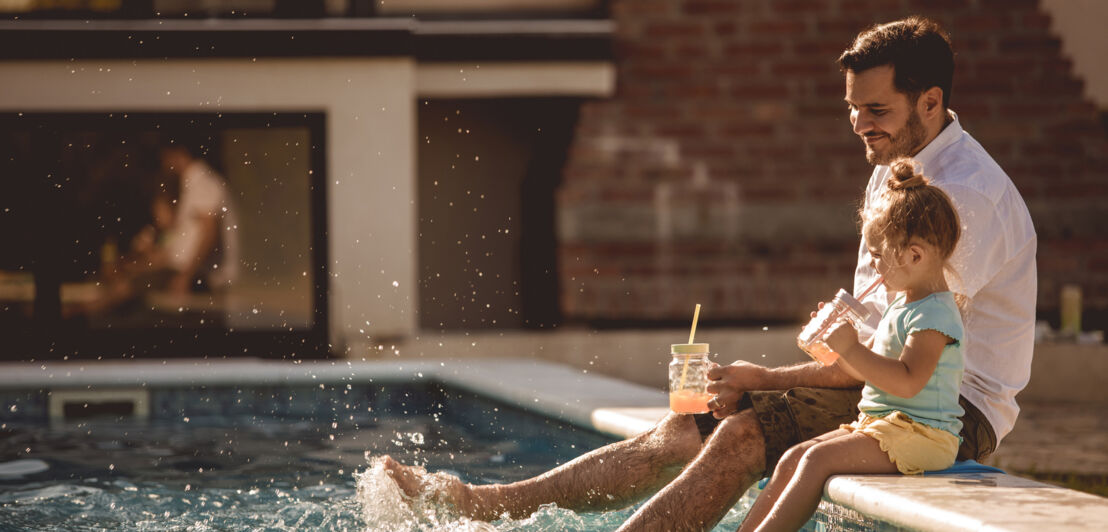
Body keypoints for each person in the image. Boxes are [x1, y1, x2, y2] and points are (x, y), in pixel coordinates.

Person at [380, 16, 1037, 531]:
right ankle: (483, 503)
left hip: (946, 408)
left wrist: (766, 378)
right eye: (853, 108)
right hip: (883, 382)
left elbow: (901, 359)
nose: (859, 125)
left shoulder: (964, 200)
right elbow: (866, 324)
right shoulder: (898, 166)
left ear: (929, 102)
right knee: (686, 424)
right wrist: (775, 366)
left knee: (739, 435)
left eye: (876, 111)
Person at [738, 157, 964, 532]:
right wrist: (840, 349)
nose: (873, 266)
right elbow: (869, 369)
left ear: (915, 255)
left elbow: (908, 381)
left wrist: (852, 348)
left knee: (815, 462)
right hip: (884, 425)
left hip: (923, 435)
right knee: (795, 456)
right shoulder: (903, 302)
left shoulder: (936, 316)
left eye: (878, 256)